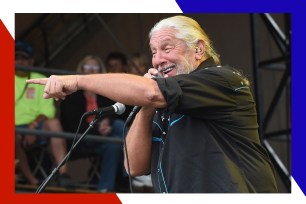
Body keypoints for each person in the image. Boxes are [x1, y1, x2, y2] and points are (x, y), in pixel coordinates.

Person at [27, 15, 278, 193]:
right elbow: (134, 166)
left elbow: (152, 93)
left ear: (199, 50)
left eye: (167, 48)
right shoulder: (161, 99)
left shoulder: (222, 79)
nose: (158, 59)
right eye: (154, 51)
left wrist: (79, 79)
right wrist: (146, 106)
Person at [60, 55, 125, 192]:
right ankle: (129, 172)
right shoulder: (73, 95)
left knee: (117, 131)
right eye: (88, 67)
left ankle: (105, 189)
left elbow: (115, 110)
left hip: (105, 136)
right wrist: (98, 129)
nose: (91, 70)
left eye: (95, 67)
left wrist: (107, 121)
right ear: (81, 69)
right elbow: (73, 124)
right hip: (82, 138)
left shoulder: (104, 91)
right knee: (117, 133)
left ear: (100, 70)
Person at [15, 40, 71, 187]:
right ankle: (32, 181)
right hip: (13, 129)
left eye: (24, 58)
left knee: (54, 123)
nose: (20, 61)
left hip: (37, 126)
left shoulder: (40, 77)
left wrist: (32, 127)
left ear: (31, 60)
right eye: (16, 57)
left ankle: (63, 173)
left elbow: (49, 111)